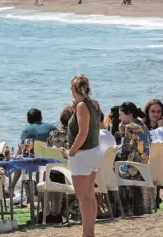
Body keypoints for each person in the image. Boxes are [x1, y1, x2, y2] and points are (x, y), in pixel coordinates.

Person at [65, 74, 102, 237]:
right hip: (94, 151)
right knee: (90, 195)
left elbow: (82, 133)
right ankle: (90, 232)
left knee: (83, 197)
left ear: (74, 89)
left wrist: (72, 151)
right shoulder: (94, 104)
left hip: (83, 154)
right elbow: (98, 125)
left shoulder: (82, 106)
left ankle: (87, 234)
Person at [116, 102, 152, 216]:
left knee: (114, 170)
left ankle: (123, 209)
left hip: (136, 168)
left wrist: (121, 133)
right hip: (146, 165)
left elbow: (122, 152)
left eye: (121, 114)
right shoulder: (143, 125)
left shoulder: (130, 127)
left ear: (129, 114)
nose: (119, 117)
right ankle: (137, 206)